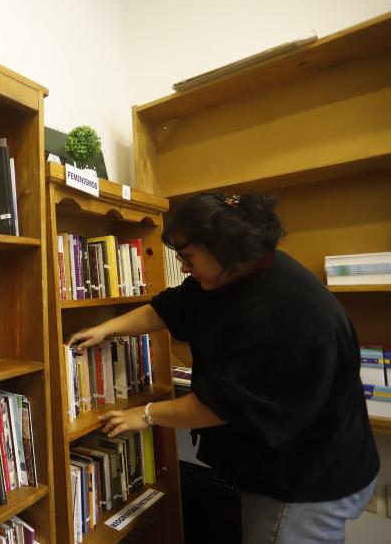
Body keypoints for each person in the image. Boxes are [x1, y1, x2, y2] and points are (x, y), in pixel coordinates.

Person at [66, 192, 379, 544]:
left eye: (187, 257)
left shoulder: (284, 312)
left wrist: (148, 414)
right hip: (305, 462)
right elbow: (167, 309)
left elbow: (221, 405)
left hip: (307, 479)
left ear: (222, 248)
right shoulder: (233, 273)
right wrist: (106, 328)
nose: (183, 267)